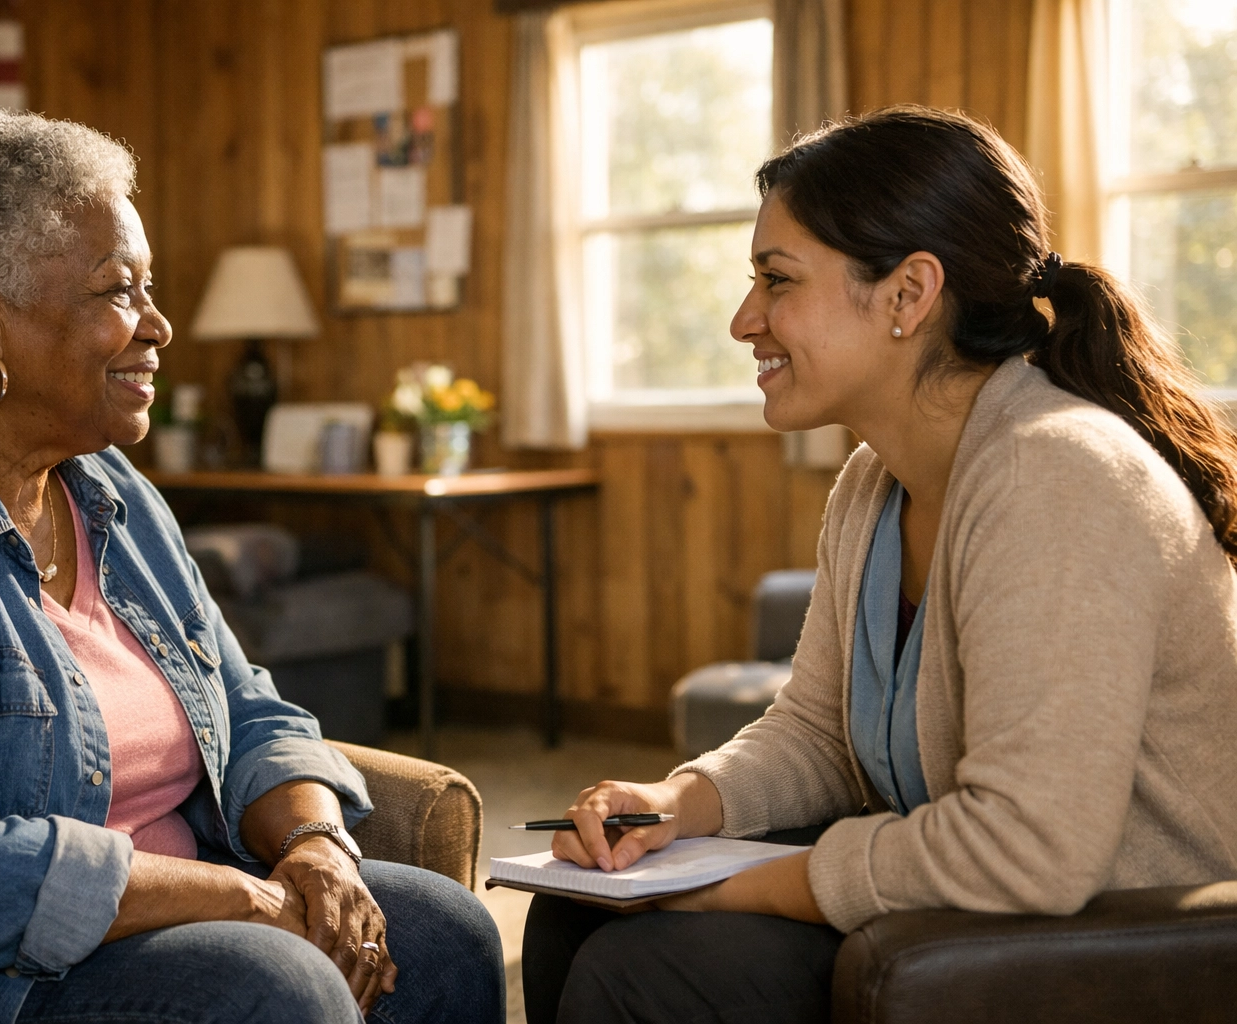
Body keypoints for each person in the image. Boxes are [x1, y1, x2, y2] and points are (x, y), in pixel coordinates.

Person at [0, 109, 503, 1024]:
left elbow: (247, 707)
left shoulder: (99, 481)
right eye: (117, 290)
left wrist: (315, 842)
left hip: (177, 902)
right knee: (280, 986)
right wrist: (242, 898)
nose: (158, 325)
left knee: (445, 935)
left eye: (148, 286)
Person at [521, 105, 1237, 1024]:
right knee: (572, 920)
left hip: (1124, 937)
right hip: (988, 909)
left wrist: (743, 888)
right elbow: (820, 730)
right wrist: (680, 802)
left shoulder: (1056, 473)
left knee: (649, 968)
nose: (746, 321)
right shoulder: (874, 483)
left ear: (908, 295)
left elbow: (1028, 850)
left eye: (777, 281)